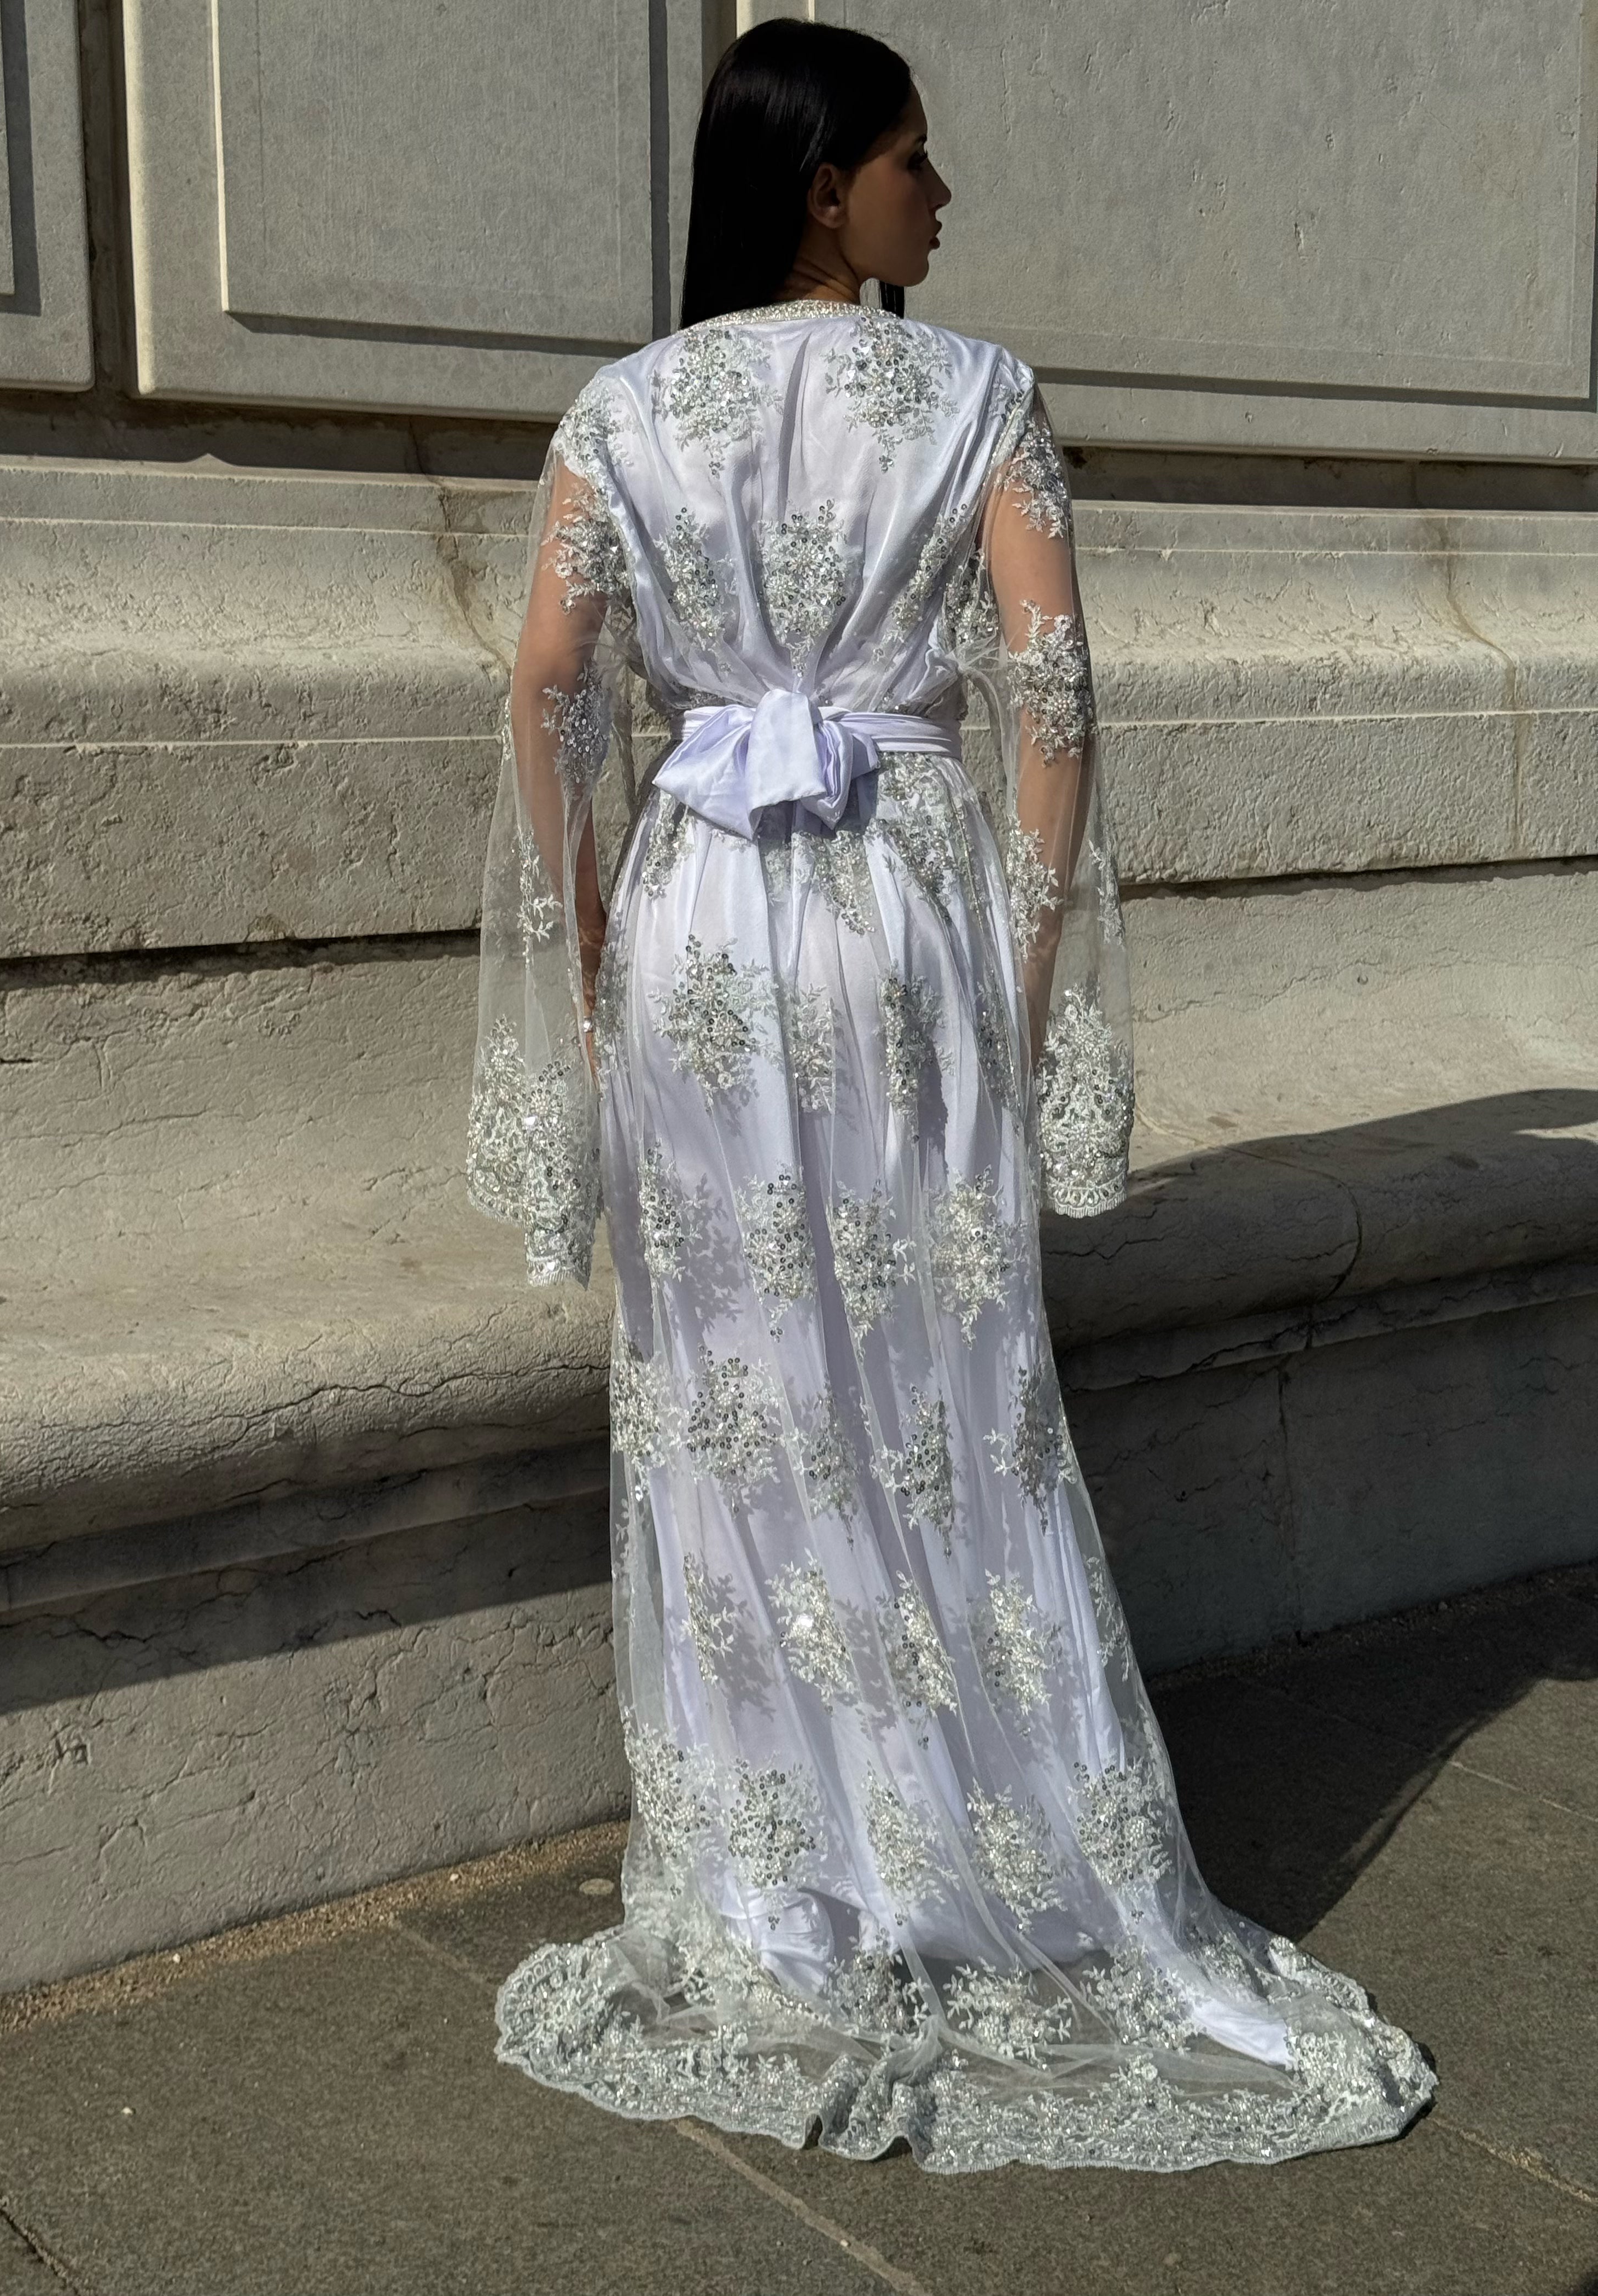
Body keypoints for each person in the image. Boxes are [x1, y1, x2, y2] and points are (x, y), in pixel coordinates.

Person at [467, 17, 1434, 2172]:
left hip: (708, 916)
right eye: (914, 156)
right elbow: (1053, 686)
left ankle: (776, 1886)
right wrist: (1027, 951)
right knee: (940, 1389)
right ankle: (975, 1851)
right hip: (900, 921)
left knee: (730, 1403)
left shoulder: (623, 410)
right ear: (824, 182)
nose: (943, 189)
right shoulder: (976, 396)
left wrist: (601, 921)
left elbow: (544, 687)